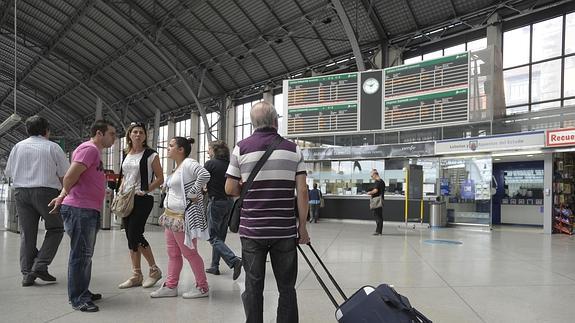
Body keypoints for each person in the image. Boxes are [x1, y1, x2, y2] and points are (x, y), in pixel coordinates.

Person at [225, 101, 310, 323]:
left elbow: (230, 188)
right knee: (287, 287)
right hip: (284, 231)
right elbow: (302, 190)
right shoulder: (293, 149)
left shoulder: (241, 147)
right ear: (275, 121)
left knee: (253, 285)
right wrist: (303, 228)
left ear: (253, 123)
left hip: (253, 231)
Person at [48, 119, 117, 312]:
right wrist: (62, 195)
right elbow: (70, 176)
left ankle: (82, 291)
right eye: (112, 134)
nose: (115, 138)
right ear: (99, 133)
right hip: (80, 209)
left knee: (85, 254)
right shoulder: (90, 149)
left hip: (87, 209)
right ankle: (78, 298)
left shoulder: (94, 152)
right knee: (80, 255)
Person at [5, 116, 70, 287]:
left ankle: (27, 274)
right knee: (56, 228)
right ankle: (40, 265)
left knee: (27, 234)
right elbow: (66, 175)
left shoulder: (17, 147)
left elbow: (9, 172)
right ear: (46, 130)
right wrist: (66, 195)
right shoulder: (52, 147)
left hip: (21, 193)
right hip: (46, 193)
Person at [150, 137, 211, 299]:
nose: (168, 149)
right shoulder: (177, 167)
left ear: (181, 149)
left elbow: (204, 174)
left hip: (182, 217)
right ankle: (171, 285)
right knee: (173, 254)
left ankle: (202, 287)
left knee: (190, 253)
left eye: (171, 146)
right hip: (171, 217)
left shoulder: (189, 163)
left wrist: (193, 192)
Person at [117, 122, 164, 289]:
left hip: (143, 199)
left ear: (145, 136)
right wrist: (121, 189)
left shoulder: (151, 155)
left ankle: (154, 270)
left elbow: (160, 178)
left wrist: (145, 190)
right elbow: (124, 176)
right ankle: (136, 274)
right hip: (127, 199)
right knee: (130, 236)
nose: (138, 135)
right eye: (135, 132)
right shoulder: (126, 153)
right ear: (129, 135)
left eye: (141, 133)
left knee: (135, 233)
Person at [203, 140, 242, 279]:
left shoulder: (210, 164)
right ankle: (215, 266)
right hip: (229, 203)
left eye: (208, 149)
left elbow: (201, 181)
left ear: (214, 150)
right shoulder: (230, 164)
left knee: (212, 236)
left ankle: (234, 260)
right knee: (220, 237)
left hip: (216, 202)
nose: (208, 152)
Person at [367, 169, 386, 236]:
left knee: (377, 216)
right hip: (380, 200)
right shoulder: (382, 181)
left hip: (377, 201)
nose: (372, 177)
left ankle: (378, 231)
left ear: (375, 174)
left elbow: (375, 190)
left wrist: (369, 193)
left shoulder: (377, 182)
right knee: (379, 215)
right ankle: (378, 231)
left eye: (372, 176)